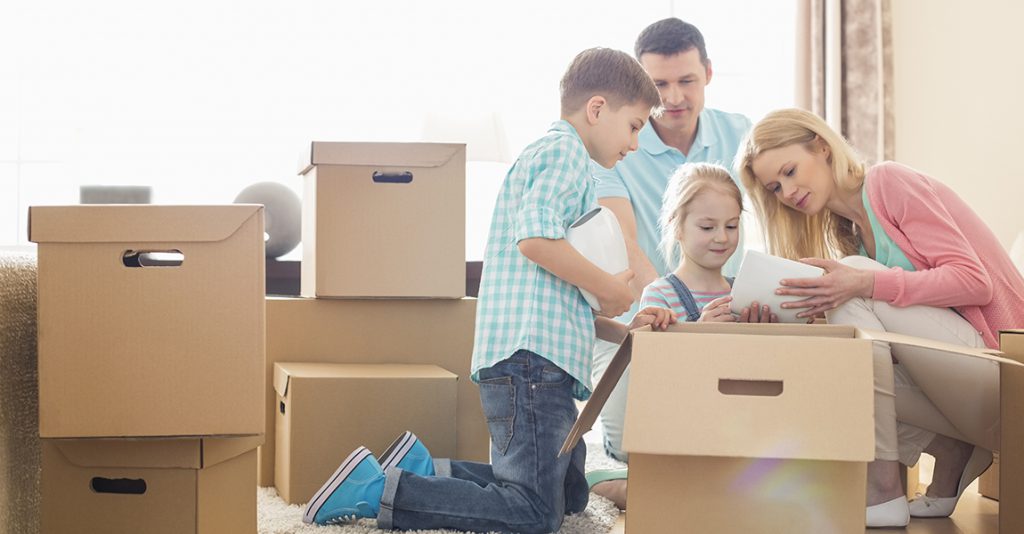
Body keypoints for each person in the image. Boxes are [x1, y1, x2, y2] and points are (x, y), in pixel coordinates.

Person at [300, 47, 675, 533]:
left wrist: (623, 329)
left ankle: (425, 469)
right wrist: (607, 285)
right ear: (597, 109)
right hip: (532, 365)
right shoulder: (564, 153)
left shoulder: (561, 161)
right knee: (535, 512)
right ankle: (380, 491)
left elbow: (561, 296)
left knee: (568, 495)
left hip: (539, 361)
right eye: (635, 126)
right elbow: (534, 240)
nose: (636, 144)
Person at [737, 107, 1024, 528]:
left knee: (854, 276)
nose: (789, 191)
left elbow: (974, 282)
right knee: (831, 361)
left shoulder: (889, 183)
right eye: (776, 187)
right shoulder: (848, 232)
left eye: (791, 171)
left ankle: (883, 485)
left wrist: (865, 282)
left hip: (1008, 378)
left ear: (821, 147)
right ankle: (951, 449)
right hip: (970, 400)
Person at [589, 16, 753, 501]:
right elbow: (626, 242)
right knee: (635, 444)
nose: (674, 97)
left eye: (687, 80)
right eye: (659, 84)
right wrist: (678, 320)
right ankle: (604, 475)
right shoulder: (617, 143)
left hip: (727, 315)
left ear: (708, 74)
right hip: (645, 323)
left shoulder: (740, 133)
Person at [585, 162, 777, 509]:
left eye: (731, 226)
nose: (722, 237)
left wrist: (761, 333)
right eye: (707, 227)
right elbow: (655, 384)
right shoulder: (661, 294)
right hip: (679, 431)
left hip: (735, 430)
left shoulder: (744, 293)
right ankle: (610, 483)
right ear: (678, 228)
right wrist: (698, 332)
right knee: (686, 495)